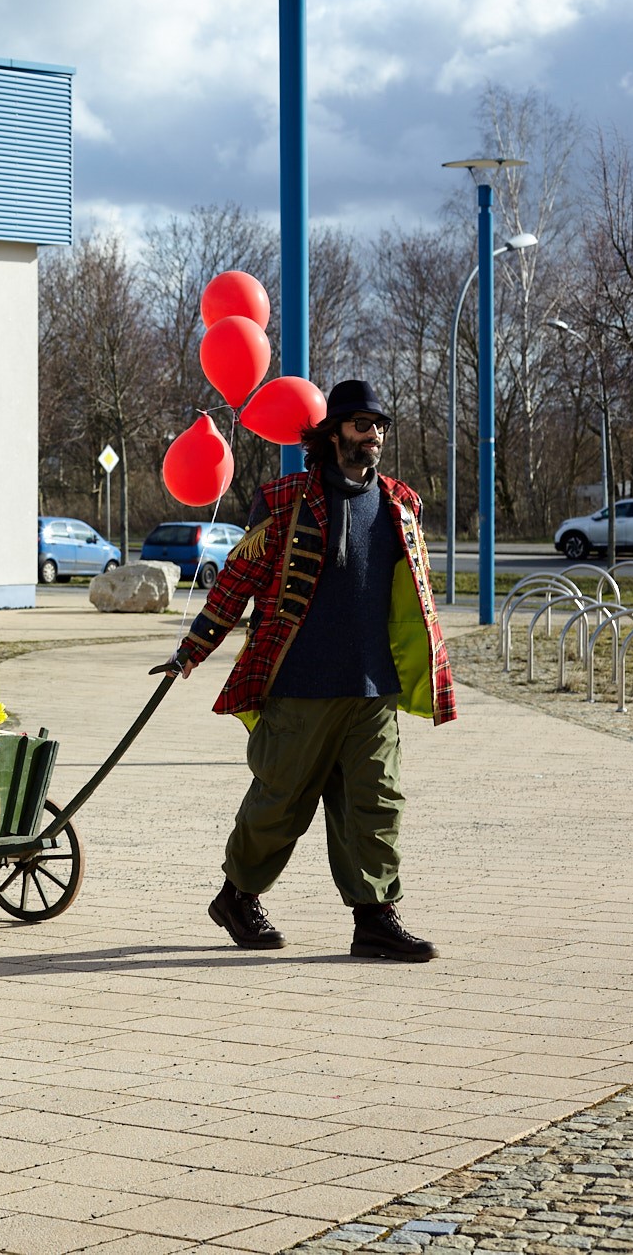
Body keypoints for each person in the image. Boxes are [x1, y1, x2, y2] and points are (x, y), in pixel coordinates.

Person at [149, 380, 455, 962]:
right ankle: (237, 896)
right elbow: (238, 579)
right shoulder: (285, 498)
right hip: (300, 682)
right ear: (334, 431)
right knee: (281, 802)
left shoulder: (401, 503)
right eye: (364, 425)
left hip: (373, 684)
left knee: (377, 803)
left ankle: (375, 918)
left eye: (381, 427)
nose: (375, 437)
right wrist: (192, 650)